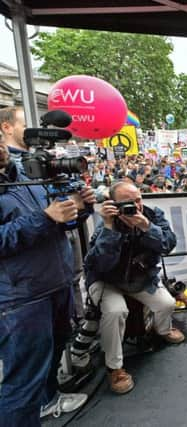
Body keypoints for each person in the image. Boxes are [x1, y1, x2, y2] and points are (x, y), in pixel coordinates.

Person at [0, 141, 95, 425]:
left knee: (52, 356)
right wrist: (44, 218)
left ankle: (48, 400)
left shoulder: (28, 173)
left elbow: (59, 222)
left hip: (55, 283)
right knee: (23, 382)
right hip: (21, 298)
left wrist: (81, 207)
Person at [84, 181, 184, 395]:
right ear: (113, 204)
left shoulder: (151, 215)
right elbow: (99, 265)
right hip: (107, 281)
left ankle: (163, 330)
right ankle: (115, 367)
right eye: (129, 203)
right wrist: (111, 230)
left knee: (166, 303)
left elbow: (168, 244)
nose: (136, 206)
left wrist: (146, 226)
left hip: (139, 279)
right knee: (116, 311)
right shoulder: (106, 224)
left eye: (138, 199)